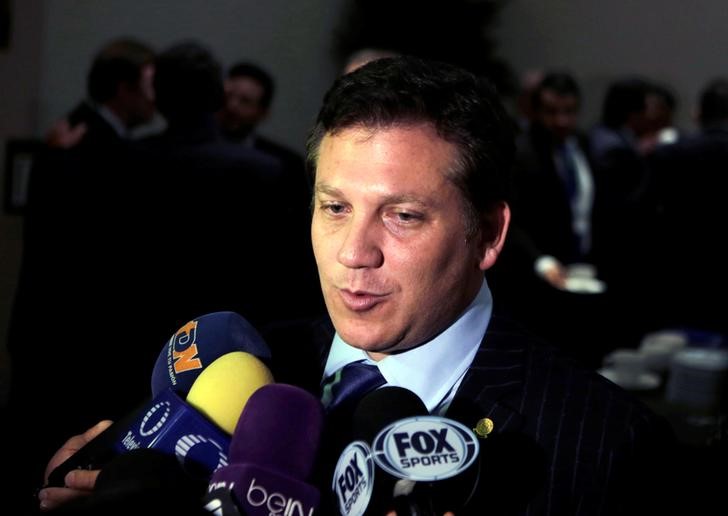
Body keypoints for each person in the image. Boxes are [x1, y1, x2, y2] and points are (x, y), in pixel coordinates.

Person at [37, 56, 677, 515]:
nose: (354, 253)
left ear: (487, 234)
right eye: (335, 207)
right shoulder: (233, 373)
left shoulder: (606, 448)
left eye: (402, 215)